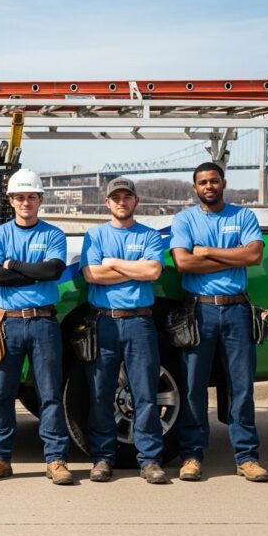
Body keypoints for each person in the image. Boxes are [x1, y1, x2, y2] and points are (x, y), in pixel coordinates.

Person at [170, 162, 268, 482]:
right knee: (192, 386)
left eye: (214, 180)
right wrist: (231, 255)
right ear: (194, 187)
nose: (208, 186)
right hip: (200, 312)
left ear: (223, 183)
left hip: (237, 310)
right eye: (202, 182)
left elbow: (253, 256)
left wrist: (208, 252)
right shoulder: (185, 219)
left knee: (241, 387)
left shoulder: (243, 216)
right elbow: (183, 262)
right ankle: (192, 456)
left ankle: (246, 457)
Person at [0, 168, 73, 485]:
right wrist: (34, 272)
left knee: (50, 395)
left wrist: (14, 265)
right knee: (2, 395)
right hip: (7, 323)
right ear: (11, 201)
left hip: (43, 321)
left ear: (41, 199)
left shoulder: (53, 234)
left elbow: (53, 270)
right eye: (20, 197)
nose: (26, 202)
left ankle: (56, 460)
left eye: (31, 196)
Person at [79, 177, 168, 484]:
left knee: (145, 393)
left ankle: (150, 460)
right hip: (104, 321)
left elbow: (153, 271)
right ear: (107, 203)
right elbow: (92, 275)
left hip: (139, 322)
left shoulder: (150, 235)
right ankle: (103, 458)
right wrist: (134, 269)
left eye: (126, 197)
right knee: (101, 393)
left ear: (136, 201)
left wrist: (114, 262)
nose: (121, 202)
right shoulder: (94, 235)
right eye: (115, 197)